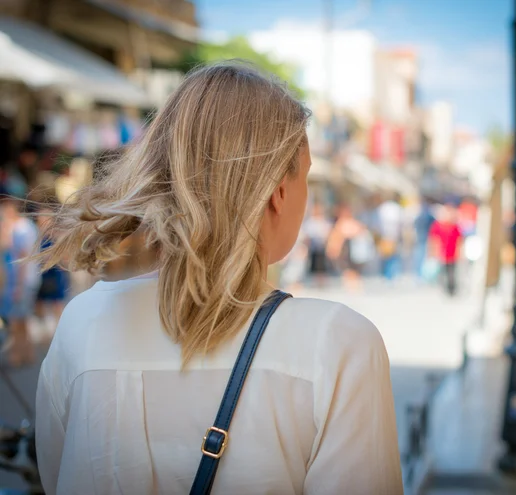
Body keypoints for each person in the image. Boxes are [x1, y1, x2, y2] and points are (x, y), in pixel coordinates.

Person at [34, 62, 403, 495]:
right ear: (278, 193)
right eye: (304, 177)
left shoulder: (85, 321)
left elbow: (55, 473)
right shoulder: (339, 345)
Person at [0, 192, 41, 366]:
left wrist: (17, 285)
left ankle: (16, 356)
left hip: (21, 280)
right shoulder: (25, 226)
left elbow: (22, 259)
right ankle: (27, 354)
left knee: (17, 320)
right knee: (23, 319)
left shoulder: (21, 229)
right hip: (27, 279)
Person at [35, 206, 70, 333]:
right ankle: (45, 329)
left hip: (55, 274)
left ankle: (60, 330)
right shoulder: (37, 236)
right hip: (42, 274)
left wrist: (53, 258)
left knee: (57, 304)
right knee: (40, 303)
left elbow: (65, 258)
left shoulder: (57, 236)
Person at [429, 202, 462, 296]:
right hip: (442, 253)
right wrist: (433, 251)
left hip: (452, 253)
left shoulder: (454, 226)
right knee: (443, 271)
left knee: (452, 272)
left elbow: (459, 240)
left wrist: (459, 252)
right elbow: (434, 239)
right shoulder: (438, 225)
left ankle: (452, 288)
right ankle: (445, 288)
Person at [303, 203, 332, 287]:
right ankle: (317, 281)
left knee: (322, 265)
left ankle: (322, 282)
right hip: (313, 247)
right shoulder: (310, 222)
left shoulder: (323, 221)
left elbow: (327, 232)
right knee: (315, 265)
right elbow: (307, 235)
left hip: (322, 247)